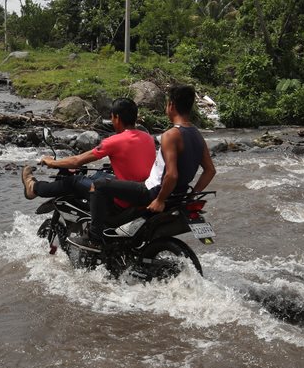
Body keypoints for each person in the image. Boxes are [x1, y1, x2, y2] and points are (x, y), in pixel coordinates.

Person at [69, 84, 216, 252]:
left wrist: (160, 199)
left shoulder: (171, 135)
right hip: (178, 194)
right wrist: (192, 194)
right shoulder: (197, 134)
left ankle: (94, 239)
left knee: (100, 185)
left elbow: (172, 174)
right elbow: (210, 170)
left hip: (151, 191)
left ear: (171, 105)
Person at [21, 97, 155, 203]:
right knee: (102, 173)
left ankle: (33, 187)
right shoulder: (147, 137)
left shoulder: (115, 141)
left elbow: (76, 161)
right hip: (141, 193)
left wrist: (51, 162)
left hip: (123, 198)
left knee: (74, 181)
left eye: (112, 117)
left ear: (117, 118)